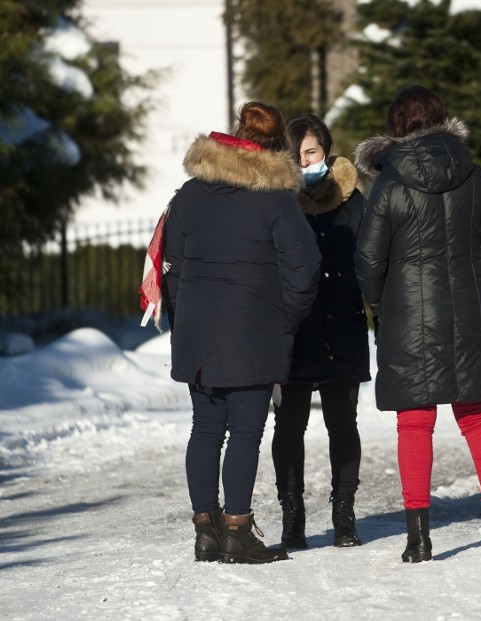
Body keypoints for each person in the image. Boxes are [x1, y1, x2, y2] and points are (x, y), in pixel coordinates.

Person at [353, 85, 481, 563]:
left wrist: (385, 307)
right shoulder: (477, 176)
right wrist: (473, 284)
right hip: (469, 312)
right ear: (442, 119)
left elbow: (368, 261)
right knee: (476, 414)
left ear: (396, 127)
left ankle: (418, 539)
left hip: (408, 317)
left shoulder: (387, 183)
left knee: (415, 423)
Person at [161, 101, 322, 563]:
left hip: (196, 331)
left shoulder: (190, 193)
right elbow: (305, 266)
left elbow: (172, 264)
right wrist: (288, 316)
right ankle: (237, 530)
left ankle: (205, 530)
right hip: (255, 330)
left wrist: (183, 315)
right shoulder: (275, 199)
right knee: (246, 431)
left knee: (205, 428)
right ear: (275, 149)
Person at [270, 114, 370, 549]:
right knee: (288, 427)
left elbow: (370, 260)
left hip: (342, 324)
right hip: (292, 330)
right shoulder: (276, 200)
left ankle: (344, 513)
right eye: (295, 154)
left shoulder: (353, 201)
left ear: (325, 151)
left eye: (310, 152)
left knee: (342, 423)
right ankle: (292, 513)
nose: (303, 160)